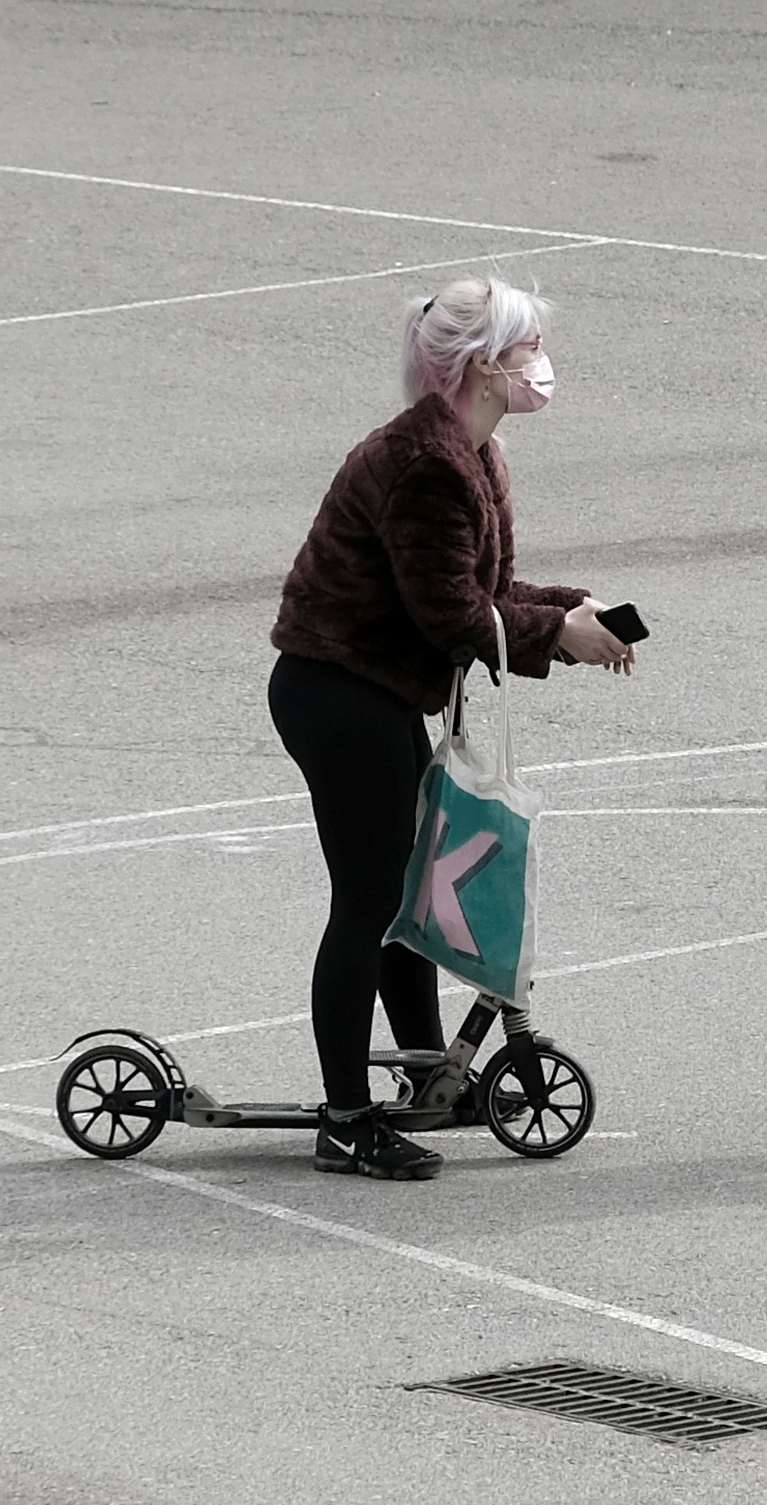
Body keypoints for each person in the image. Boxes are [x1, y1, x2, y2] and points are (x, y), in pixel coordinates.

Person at [266, 276, 637, 1180]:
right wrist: (558, 635)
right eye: (528, 348)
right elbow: (450, 615)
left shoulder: (473, 449)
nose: (540, 362)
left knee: (404, 892)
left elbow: (481, 587)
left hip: (376, 690)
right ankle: (345, 1119)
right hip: (339, 692)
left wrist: (571, 606)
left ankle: (429, 1074)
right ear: (481, 364)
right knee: (368, 904)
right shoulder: (426, 463)